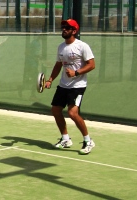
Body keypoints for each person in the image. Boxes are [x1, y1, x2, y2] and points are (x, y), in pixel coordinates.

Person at [45, 19, 96, 155]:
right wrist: (50, 80)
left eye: (67, 27)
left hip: (78, 86)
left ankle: (88, 140)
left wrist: (76, 72)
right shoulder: (61, 47)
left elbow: (91, 65)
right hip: (63, 85)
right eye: (63, 27)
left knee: (73, 113)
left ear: (74, 31)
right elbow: (58, 65)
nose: (64, 29)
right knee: (56, 110)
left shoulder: (82, 46)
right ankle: (66, 139)